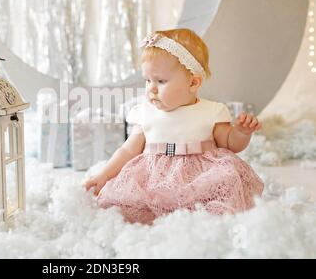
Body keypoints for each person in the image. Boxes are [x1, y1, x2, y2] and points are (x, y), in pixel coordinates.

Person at [83, 29, 264, 224]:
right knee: (130, 205)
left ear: (193, 83)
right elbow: (127, 150)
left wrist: (241, 132)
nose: (151, 88)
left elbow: (230, 144)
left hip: (199, 176)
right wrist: (105, 174)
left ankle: (200, 220)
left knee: (226, 182)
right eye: (147, 80)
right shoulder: (144, 113)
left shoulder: (211, 111)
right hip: (155, 177)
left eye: (161, 81)